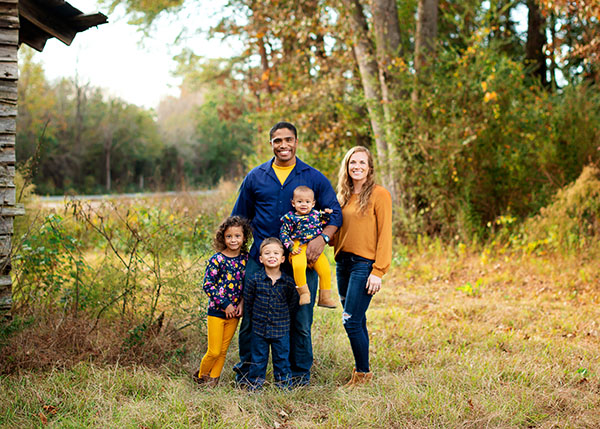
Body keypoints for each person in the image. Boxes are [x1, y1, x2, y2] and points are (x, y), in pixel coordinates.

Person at [231, 121, 342, 386]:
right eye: (278, 140)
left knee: (300, 319)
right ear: (271, 144)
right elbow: (239, 218)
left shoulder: (312, 177)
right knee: (251, 318)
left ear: (296, 142)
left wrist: (323, 238)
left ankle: (298, 374)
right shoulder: (256, 177)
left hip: (302, 258)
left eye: (288, 139)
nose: (283, 145)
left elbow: (335, 212)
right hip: (261, 257)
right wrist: (231, 256)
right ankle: (248, 374)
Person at [332, 146, 392, 388]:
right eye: (352, 162)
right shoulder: (342, 197)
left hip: (363, 266)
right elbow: (339, 233)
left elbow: (385, 234)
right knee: (357, 318)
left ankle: (363, 374)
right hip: (342, 264)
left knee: (350, 320)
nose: (356, 166)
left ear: (369, 167)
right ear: (346, 167)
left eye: (361, 162)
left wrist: (378, 271)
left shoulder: (380, 195)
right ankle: (363, 371)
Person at [193, 216, 252, 387]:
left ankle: (213, 380)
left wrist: (240, 303)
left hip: (235, 313)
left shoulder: (246, 259)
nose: (233, 240)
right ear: (222, 238)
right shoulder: (217, 260)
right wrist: (225, 304)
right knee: (214, 350)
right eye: (229, 236)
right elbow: (208, 285)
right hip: (217, 311)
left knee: (223, 350)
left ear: (244, 238)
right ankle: (201, 376)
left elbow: (246, 285)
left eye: (237, 236)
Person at [244, 237, 297, 389]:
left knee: (282, 359)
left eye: (276, 253)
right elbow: (248, 302)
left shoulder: (288, 282)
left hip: (281, 329)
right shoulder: (255, 280)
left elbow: (292, 303)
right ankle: (255, 386)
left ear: (282, 259)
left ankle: (284, 386)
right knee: (258, 358)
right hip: (259, 328)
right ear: (260, 259)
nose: (271, 256)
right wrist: (257, 318)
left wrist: (284, 317)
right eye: (267, 253)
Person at [280, 185, 336, 308]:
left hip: (314, 246)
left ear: (313, 203)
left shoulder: (316, 215)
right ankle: (304, 293)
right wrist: (290, 247)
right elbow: (284, 233)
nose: (304, 204)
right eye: (300, 202)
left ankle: (324, 297)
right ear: (293, 203)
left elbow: (325, 222)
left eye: (307, 201)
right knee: (299, 266)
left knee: (325, 269)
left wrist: (327, 214)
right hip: (298, 245)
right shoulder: (291, 218)